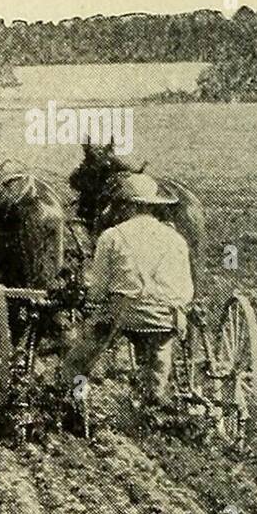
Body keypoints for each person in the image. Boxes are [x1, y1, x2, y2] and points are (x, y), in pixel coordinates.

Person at [58, 172, 193, 419]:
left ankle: (75, 404)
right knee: (157, 370)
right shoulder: (176, 240)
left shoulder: (112, 236)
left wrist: (89, 306)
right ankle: (153, 412)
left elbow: (98, 288)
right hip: (165, 318)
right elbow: (185, 290)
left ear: (129, 205)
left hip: (122, 314)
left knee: (76, 363)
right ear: (151, 206)